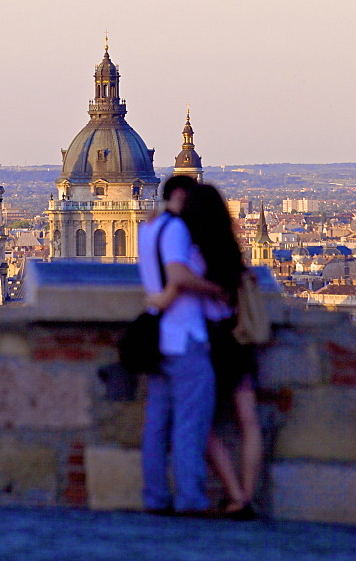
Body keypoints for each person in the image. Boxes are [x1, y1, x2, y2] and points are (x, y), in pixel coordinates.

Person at [151, 183, 262, 519]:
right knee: (249, 421)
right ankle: (247, 496)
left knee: (201, 422)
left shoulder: (194, 251)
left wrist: (160, 301)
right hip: (239, 340)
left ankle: (234, 493)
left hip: (211, 340)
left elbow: (180, 281)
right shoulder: (230, 248)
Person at [138, 175, 224, 516]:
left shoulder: (149, 227)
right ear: (179, 196)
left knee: (157, 425)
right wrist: (215, 289)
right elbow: (177, 277)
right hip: (184, 335)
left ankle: (156, 497)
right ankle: (191, 499)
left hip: (159, 337)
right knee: (191, 424)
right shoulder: (176, 228)